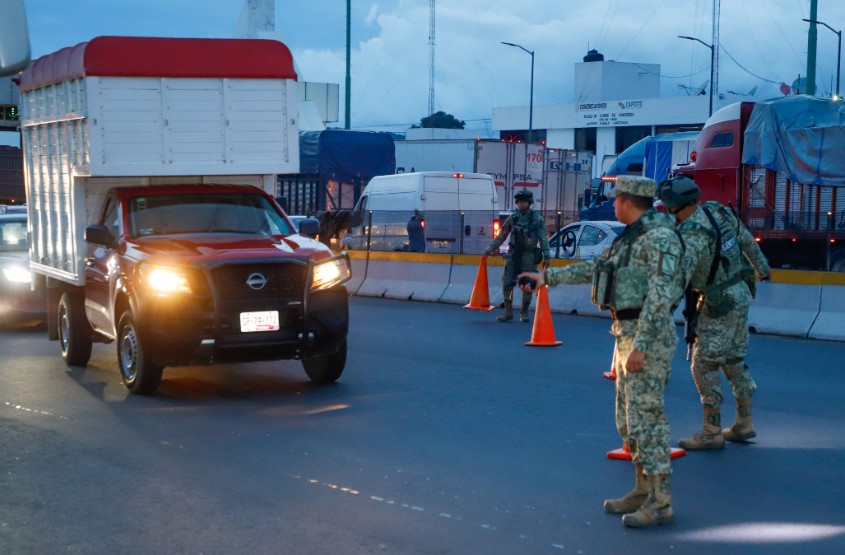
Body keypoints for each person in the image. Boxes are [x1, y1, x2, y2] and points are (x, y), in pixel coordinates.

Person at [518, 176, 685, 528]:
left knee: (648, 420)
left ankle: (661, 502)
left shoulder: (660, 238)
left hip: (647, 336)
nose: (613, 204)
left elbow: (661, 295)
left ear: (629, 201)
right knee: (628, 420)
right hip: (625, 333)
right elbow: (597, 268)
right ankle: (642, 489)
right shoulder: (630, 237)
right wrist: (546, 278)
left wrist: (641, 345)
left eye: (617, 198)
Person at [657, 176, 770, 450]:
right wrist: (763, 269)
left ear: (674, 207)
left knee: (703, 365)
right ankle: (744, 422)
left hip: (718, 304)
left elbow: (675, 282)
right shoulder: (718, 211)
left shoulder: (688, 237)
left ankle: (711, 430)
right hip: (741, 293)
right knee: (733, 359)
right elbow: (747, 241)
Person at [483, 189, 551, 322]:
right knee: (507, 283)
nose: (522, 204)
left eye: (524, 201)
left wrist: (547, 256)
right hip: (513, 255)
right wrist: (490, 248)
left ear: (529, 203)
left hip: (529, 256)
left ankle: (524, 312)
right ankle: (508, 311)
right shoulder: (513, 218)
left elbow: (543, 238)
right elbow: (502, 236)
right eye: (519, 201)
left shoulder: (536, 219)